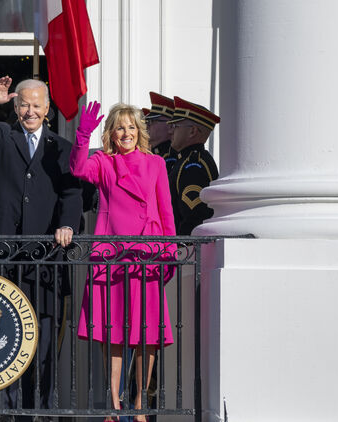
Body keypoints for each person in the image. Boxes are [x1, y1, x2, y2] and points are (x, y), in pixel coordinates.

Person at [0, 76, 82, 410]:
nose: (30, 111)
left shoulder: (62, 148)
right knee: (0, 333)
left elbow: (72, 194)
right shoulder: (1, 135)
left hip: (45, 256)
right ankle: (2, 410)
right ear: (15, 107)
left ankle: (38, 409)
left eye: (36, 105)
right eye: (24, 104)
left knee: (43, 336)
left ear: (47, 109)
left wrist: (68, 225)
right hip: (1, 253)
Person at [70, 102, 175, 422]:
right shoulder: (104, 162)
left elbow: (166, 208)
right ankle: (113, 404)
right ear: (111, 134)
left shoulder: (156, 163)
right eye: (119, 127)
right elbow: (78, 169)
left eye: (131, 127)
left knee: (147, 333)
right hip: (112, 255)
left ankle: (140, 403)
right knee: (112, 330)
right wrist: (82, 134)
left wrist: (170, 250)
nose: (126, 133)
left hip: (147, 254)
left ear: (139, 131)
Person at [167, 96, 220, 235]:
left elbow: (194, 217)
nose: (170, 131)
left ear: (192, 131)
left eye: (175, 126)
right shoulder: (185, 161)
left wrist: (181, 245)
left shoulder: (193, 166)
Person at [142, 92, 177, 173]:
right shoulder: (154, 154)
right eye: (147, 121)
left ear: (170, 125)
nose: (147, 126)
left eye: (152, 121)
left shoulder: (170, 159)